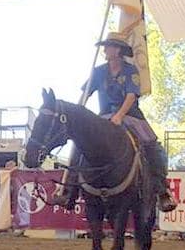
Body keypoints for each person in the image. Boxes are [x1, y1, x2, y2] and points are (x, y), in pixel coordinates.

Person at [55, 31, 177, 212]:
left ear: (118, 50)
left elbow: (130, 96)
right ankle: (68, 189)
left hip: (130, 115)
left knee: (152, 146)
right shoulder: (98, 72)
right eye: (105, 46)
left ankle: (161, 190)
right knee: (80, 144)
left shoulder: (130, 70)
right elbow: (86, 93)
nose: (105, 49)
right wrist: (79, 113)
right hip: (103, 117)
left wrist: (120, 115)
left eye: (109, 46)